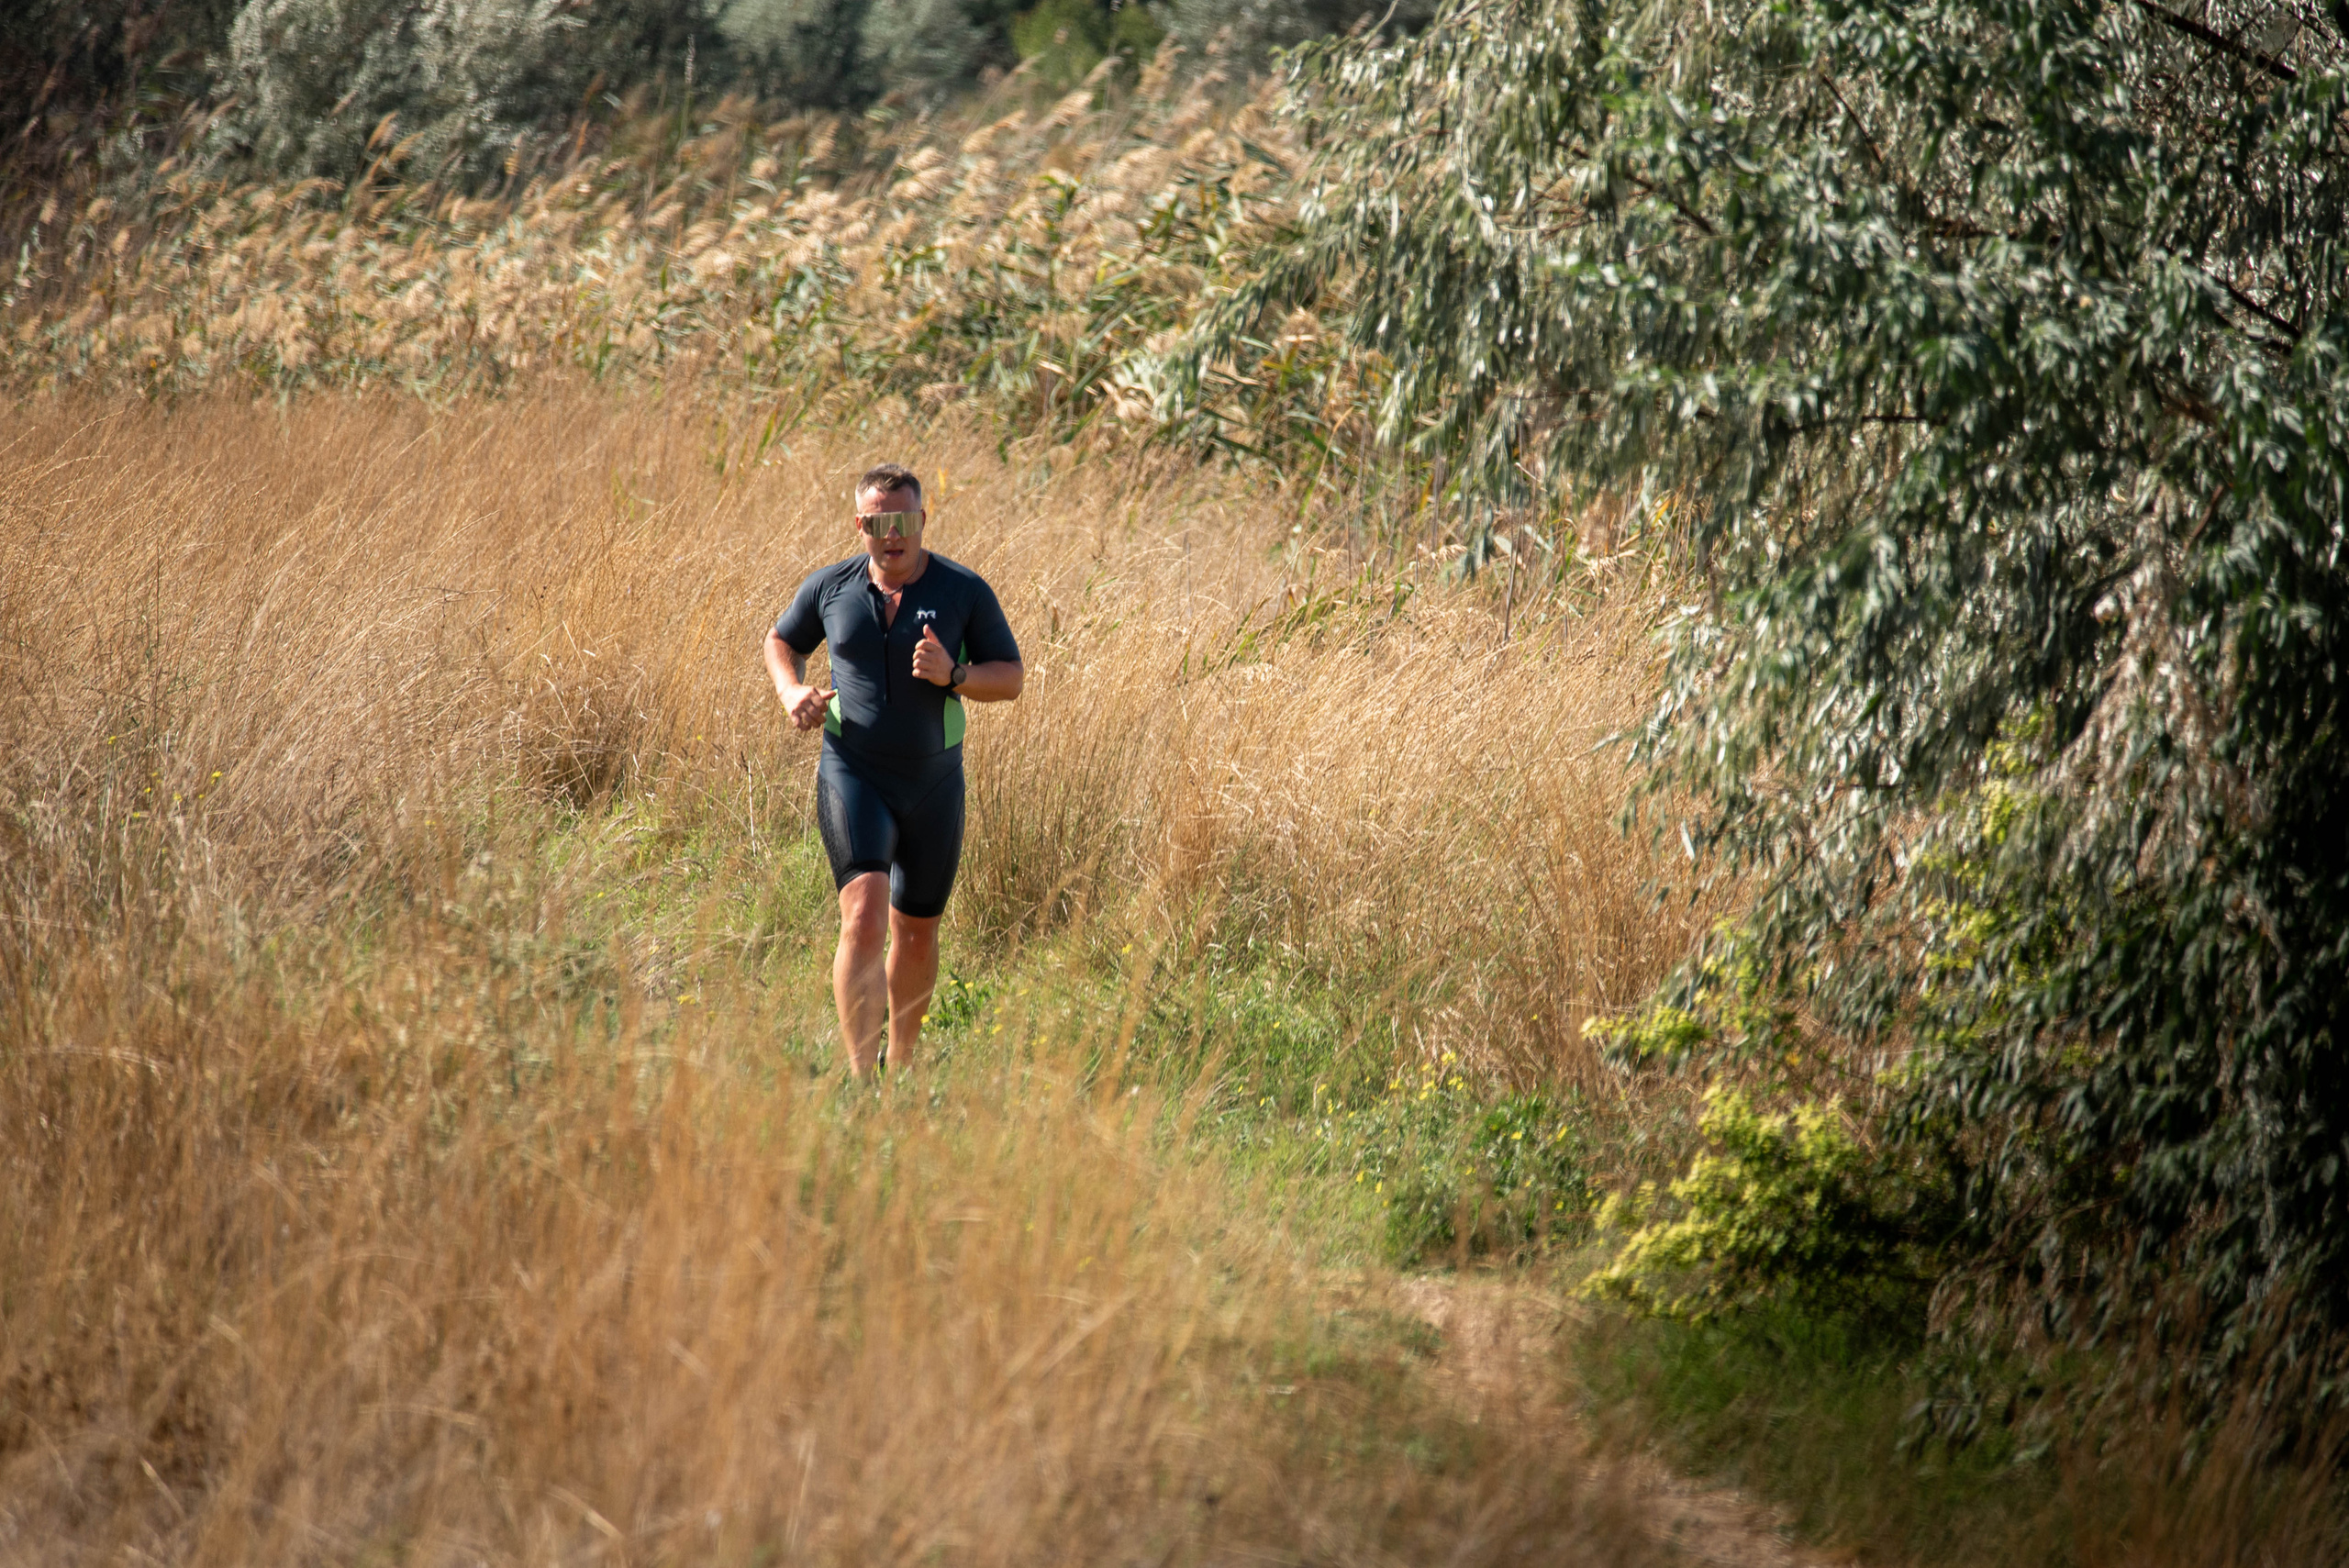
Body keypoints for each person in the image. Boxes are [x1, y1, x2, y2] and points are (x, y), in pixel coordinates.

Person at [764, 463, 1024, 1078]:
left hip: (933, 783)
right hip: (853, 773)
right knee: (863, 914)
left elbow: (1009, 677)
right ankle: (859, 1078)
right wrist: (790, 691)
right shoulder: (831, 587)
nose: (893, 534)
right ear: (861, 525)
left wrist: (954, 675)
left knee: (915, 932)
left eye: (904, 520)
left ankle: (899, 1068)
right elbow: (780, 640)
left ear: (922, 520)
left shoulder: (964, 591)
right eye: (879, 522)